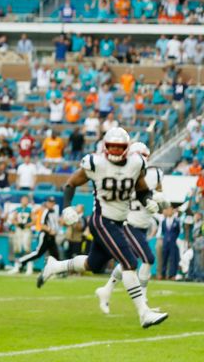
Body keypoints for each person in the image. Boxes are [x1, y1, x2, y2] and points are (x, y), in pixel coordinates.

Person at [36, 127, 168, 328]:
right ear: (105, 147)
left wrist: (148, 200)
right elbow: (70, 184)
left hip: (118, 222)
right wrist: (67, 207)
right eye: (112, 146)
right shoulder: (95, 163)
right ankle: (144, 313)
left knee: (93, 264)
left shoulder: (135, 163)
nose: (115, 150)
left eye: (119, 147)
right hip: (102, 220)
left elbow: (141, 190)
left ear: (126, 148)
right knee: (130, 263)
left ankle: (55, 266)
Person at [95, 142, 166, 314]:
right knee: (148, 258)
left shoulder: (155, 173)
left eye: (145, 156)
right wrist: (150, 196)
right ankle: (144, 303)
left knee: (127, 262)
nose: (142, 160)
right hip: (129, 223)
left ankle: (107, 289)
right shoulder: (124, 177)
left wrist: (159, 197)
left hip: (143, 224)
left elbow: (158, 193)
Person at [12, 197, 60, 271]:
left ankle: (59, 271)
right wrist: (50, 230)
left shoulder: (54, 212)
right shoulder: (45, 211)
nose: (51, 204)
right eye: (50, 202)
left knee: (55, 255)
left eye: (53, 202)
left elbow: (56, 224)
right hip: (45, 235)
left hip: (52, 237)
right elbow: (42, 224)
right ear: (47, 203)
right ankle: (21, 261)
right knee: (38, 253)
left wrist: (56, 230)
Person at [8, 196, 35, 274]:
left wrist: (26, 225)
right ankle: (17, 266)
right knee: (17, 247)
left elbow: (34, 221)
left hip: (26, 230)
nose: (24, 201)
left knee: (27, 247)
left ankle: (29, 267)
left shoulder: (30, 210)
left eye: (26, 200)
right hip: (19, 229)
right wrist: (18, 224)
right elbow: (13, 219)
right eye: (23, 200)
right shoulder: (18, 209)